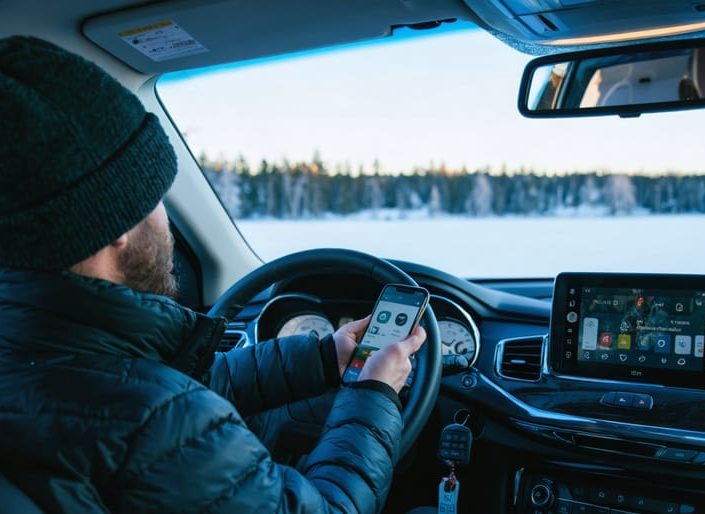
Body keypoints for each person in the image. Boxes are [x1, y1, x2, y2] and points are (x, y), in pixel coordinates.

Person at [0, 36, 426, 513]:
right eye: (154, 198)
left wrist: (324, 357)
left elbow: (161, 388)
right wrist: (374, 393)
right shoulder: (161, 427)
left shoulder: (37, 357)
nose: (164, 217)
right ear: (114, 225)